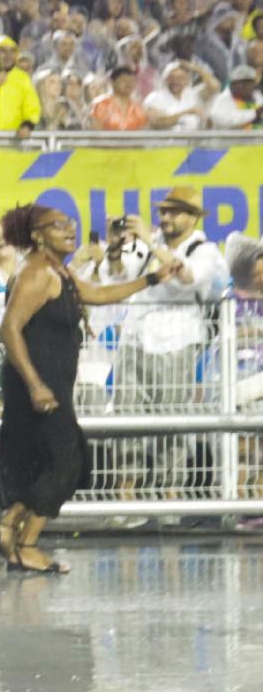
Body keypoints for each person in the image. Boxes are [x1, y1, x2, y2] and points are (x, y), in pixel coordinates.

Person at [0, 205, 174, 572]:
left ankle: (7, 527)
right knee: (67, 462)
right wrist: (36, 386)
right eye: (58, 225)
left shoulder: (57, 269)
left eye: (70, 224)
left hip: (50, 380)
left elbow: (97, 295)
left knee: (56, 461)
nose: (70, 230)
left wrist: (153, 279)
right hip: (37, 382)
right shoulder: (37, 271)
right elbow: (9, 329)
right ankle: (24, 543)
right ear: (38, 235)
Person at [113, 188, 229, 504]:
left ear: (192, 217)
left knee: (172, 422)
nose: (165, 218)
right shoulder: (150, 246)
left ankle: (170, 495)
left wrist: (150, 243)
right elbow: (119, 278)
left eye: (173, 212)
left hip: (177, 341)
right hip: (136, 339)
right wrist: (113, 252)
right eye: (162, 211)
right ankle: (126, 495)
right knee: (125, 420)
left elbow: (188, 277)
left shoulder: (205, 250)